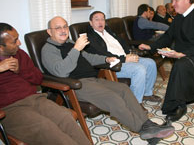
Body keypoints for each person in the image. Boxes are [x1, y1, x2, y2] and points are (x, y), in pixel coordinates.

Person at [41, 16, 175, 144]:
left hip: (92, 79)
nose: (63, 30)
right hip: (77, 84)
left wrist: (105, 59)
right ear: (49, 32)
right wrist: (76, 48)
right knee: (112, 98)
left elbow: (88, 56)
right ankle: (142, 129)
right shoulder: (48, 50)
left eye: (65, 26)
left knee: (123, 89)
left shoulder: (69, 43)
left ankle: (148, 125)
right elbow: (61, 71)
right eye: (58, 28)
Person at [0, 23, 90, 145]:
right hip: (10, 109)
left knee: (65, 117)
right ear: (0, 47)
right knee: (46, 128)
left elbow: (38, 79)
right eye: (14, 41)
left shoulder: (20, 54)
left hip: (35, 100)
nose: (19, 43)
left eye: (17, 38)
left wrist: (20, 70)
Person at [85, 11, 161, 107]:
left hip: (124, 57)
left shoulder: (108, 31)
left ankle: (147, 93)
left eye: (102, 19)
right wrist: (124, 59)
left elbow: (123, 43)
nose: (100, 22)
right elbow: (102, 54)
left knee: (150, 63)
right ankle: (135, 103)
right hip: (113, 64)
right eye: (97, 19)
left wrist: (129, 53)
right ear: (91, 23)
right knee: (139, 69)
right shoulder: (89, 38)